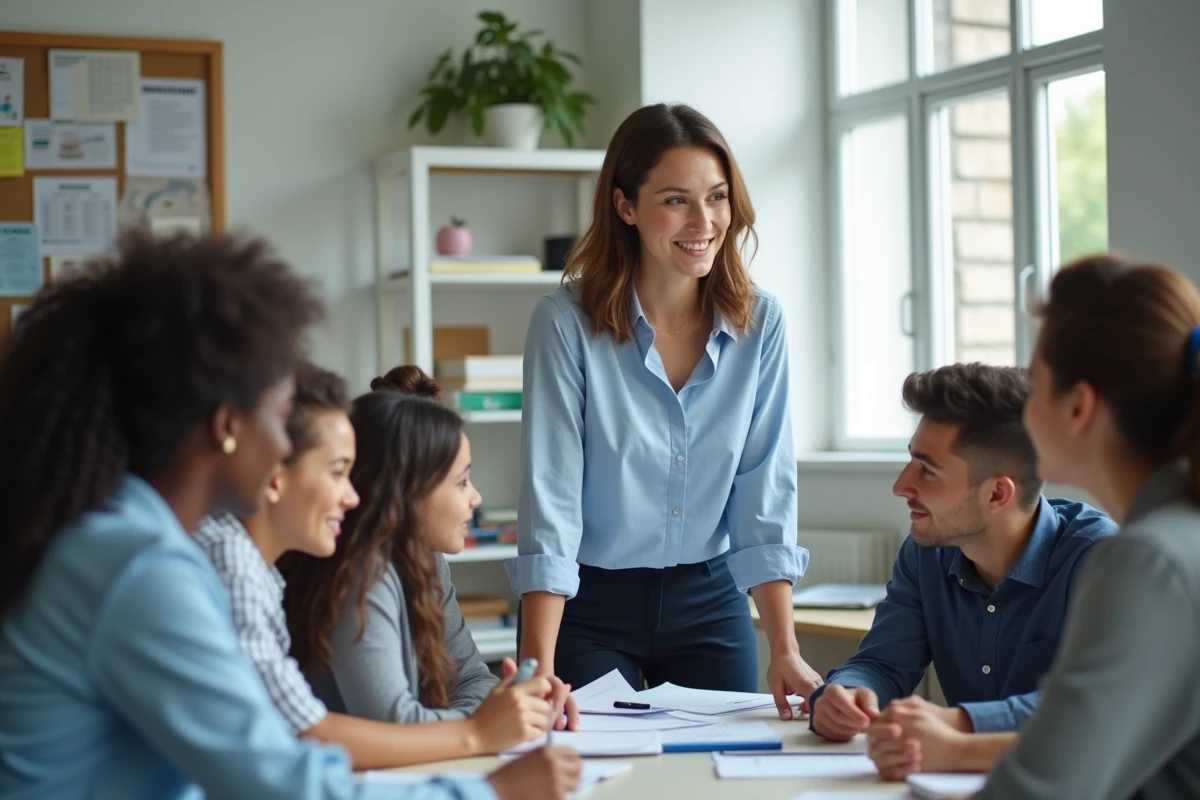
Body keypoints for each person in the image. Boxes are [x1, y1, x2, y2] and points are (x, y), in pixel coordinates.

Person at [0, 230, 580, 799]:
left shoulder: (130, 540)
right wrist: (492, 790)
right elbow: (281, 781)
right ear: (227, 427)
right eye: (281, 416)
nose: (288, 443)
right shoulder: (141, 569)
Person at [509, 102, 819, 714]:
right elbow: (552, 497)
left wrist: (784, 646)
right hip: (589, 604)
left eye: (718, 197)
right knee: (595, 774)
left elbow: (765, 486)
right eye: (676, 200)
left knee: (716, 774)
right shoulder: (564, 325)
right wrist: (537, 668)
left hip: (710, 599)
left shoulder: (761, 324)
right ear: (625, 206)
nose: (703, 221)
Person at [875, 255, 1200, 799]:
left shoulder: (1144, 560)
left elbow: (1040, 790)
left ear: (1078, 407)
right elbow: (1089, 745)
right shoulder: (1174, 533)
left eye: (1039, 379)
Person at [194, 361, 554, 769]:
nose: (352, 496)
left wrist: (505, 716)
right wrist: (483, 729)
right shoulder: (238, 568)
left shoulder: (262, 574)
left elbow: (302, 734)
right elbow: (305, 735)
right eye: (337, 473)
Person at [809, 364, 1115, 755]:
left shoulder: (1099, 560)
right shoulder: (924, 553)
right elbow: (883, 663)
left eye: (928, 470)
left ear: (996, 495)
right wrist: (848, 694)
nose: (901, 485)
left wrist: (959, 722)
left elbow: (1094, 707)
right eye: (910, 460)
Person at [280, 366, 578, 732]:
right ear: (409, 493)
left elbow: (473, 679)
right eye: (462, 481)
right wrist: (492, 721)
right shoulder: (364, 574)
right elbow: (393, 724)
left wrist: (510, 709)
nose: (476, 497)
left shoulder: (427, 561)